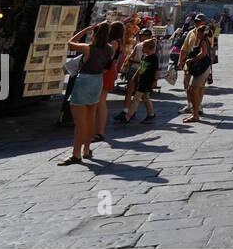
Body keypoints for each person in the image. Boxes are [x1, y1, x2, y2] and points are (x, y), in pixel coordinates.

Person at [59, 22, 115, 165]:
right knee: (90, 117)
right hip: (97, 81)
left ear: (94, 34)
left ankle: (76, 154)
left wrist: (86, 29)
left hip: (84, 81)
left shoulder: (88, 48)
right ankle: (86, 149)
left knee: (79, 122)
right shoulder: (109, 48)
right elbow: (107, 67)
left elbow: (70, 43)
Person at [94, 20, 125, 143]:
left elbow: (109, 58)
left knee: (101, 100)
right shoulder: (119, 41)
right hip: (110, 69)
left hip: (107, 70)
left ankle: (100, 131)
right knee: (100, 100)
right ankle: (98, 129)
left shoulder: (113, 42)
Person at [120, 39, 159, 123]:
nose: (142, 48)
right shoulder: (146, 56)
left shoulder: (153, 58)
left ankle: (128, 116)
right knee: (145, 97)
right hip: (143, 79)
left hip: (147, 80)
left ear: (149, 48)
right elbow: (141, 68)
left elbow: (156, 70)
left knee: (136, 98)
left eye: (144, 47)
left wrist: (155, 81)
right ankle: (151, 114)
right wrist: (135, 76)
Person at [181, 25, 212, 122]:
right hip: (204, 68)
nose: (197, 34)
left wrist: (191, 60)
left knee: (193, 90)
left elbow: (203, 53)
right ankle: (195, 113)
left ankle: (195, 114)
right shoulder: (204, 40)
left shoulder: (203, 40)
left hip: (202, 68)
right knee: (193, 90)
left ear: (202, 33)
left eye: (198, 32)